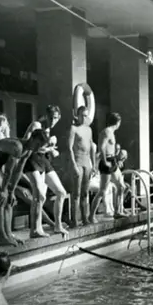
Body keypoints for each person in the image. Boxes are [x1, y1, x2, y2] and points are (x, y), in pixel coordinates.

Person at [0, 130, 49, 247]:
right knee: (0, 199)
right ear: (32, 138)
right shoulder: (17, 146)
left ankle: (9, 235)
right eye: (37, 144)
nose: (37, 148)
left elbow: (18, 171)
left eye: (40, 146)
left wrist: (11, 191)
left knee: (9, 201)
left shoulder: (28, 150)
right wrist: (4, 190)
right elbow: (9, 171)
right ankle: (2, 237)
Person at [23, 106, 69, 238]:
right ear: (45, 116)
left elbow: (42, 147)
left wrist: (51, 148)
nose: (53, 120)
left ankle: (58, 226)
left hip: (43, 160)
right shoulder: (36, 125)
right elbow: (26, 144)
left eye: (55, 118)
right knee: (39, 196)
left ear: (59, 118)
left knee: (61, 192)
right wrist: (48, 148)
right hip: (32, 160)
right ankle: (35, 230)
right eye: (50, 117)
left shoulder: (48, 129)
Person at [89, 112, 127, 223]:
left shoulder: (111, 132)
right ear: (118, 122)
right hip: (107, 162)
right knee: (102, 191)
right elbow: (101, 147)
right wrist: (105, 162)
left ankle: (117, 211)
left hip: (112, 160)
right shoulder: (106, 132)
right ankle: (91, 216)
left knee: (121, 186)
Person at [68, 94, 96, 227]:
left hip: (87, 162)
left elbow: (92, 147)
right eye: (82, 115)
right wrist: (73, 165)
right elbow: (69, 148)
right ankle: (74, 220)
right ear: (77, 115)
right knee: (76, 193)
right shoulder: (73, 128)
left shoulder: (89, 129)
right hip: (78, 161)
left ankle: (85, 218)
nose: (84, 118)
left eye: (86, 116)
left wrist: (94, 165)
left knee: (85, 192)